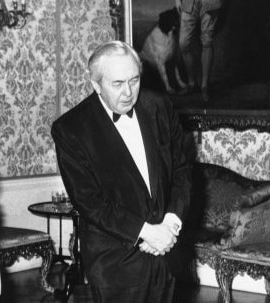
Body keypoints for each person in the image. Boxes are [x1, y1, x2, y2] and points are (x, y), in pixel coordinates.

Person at [51, 41, 191, 303]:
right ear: (96, 85)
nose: (128, 92)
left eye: (134, 80)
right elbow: (89, 202)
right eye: (117, 84)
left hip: (167, 256)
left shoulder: (159, 106)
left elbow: (182, 170)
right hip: (115, 265)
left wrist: (169, 225)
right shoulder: (71, 129)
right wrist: (147, 232)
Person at [176, 0, 223, 102]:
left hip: (210, 3)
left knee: (207, 42)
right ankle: (192, 84)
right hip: (189, 3)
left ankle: (204, 86)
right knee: (184, 44)